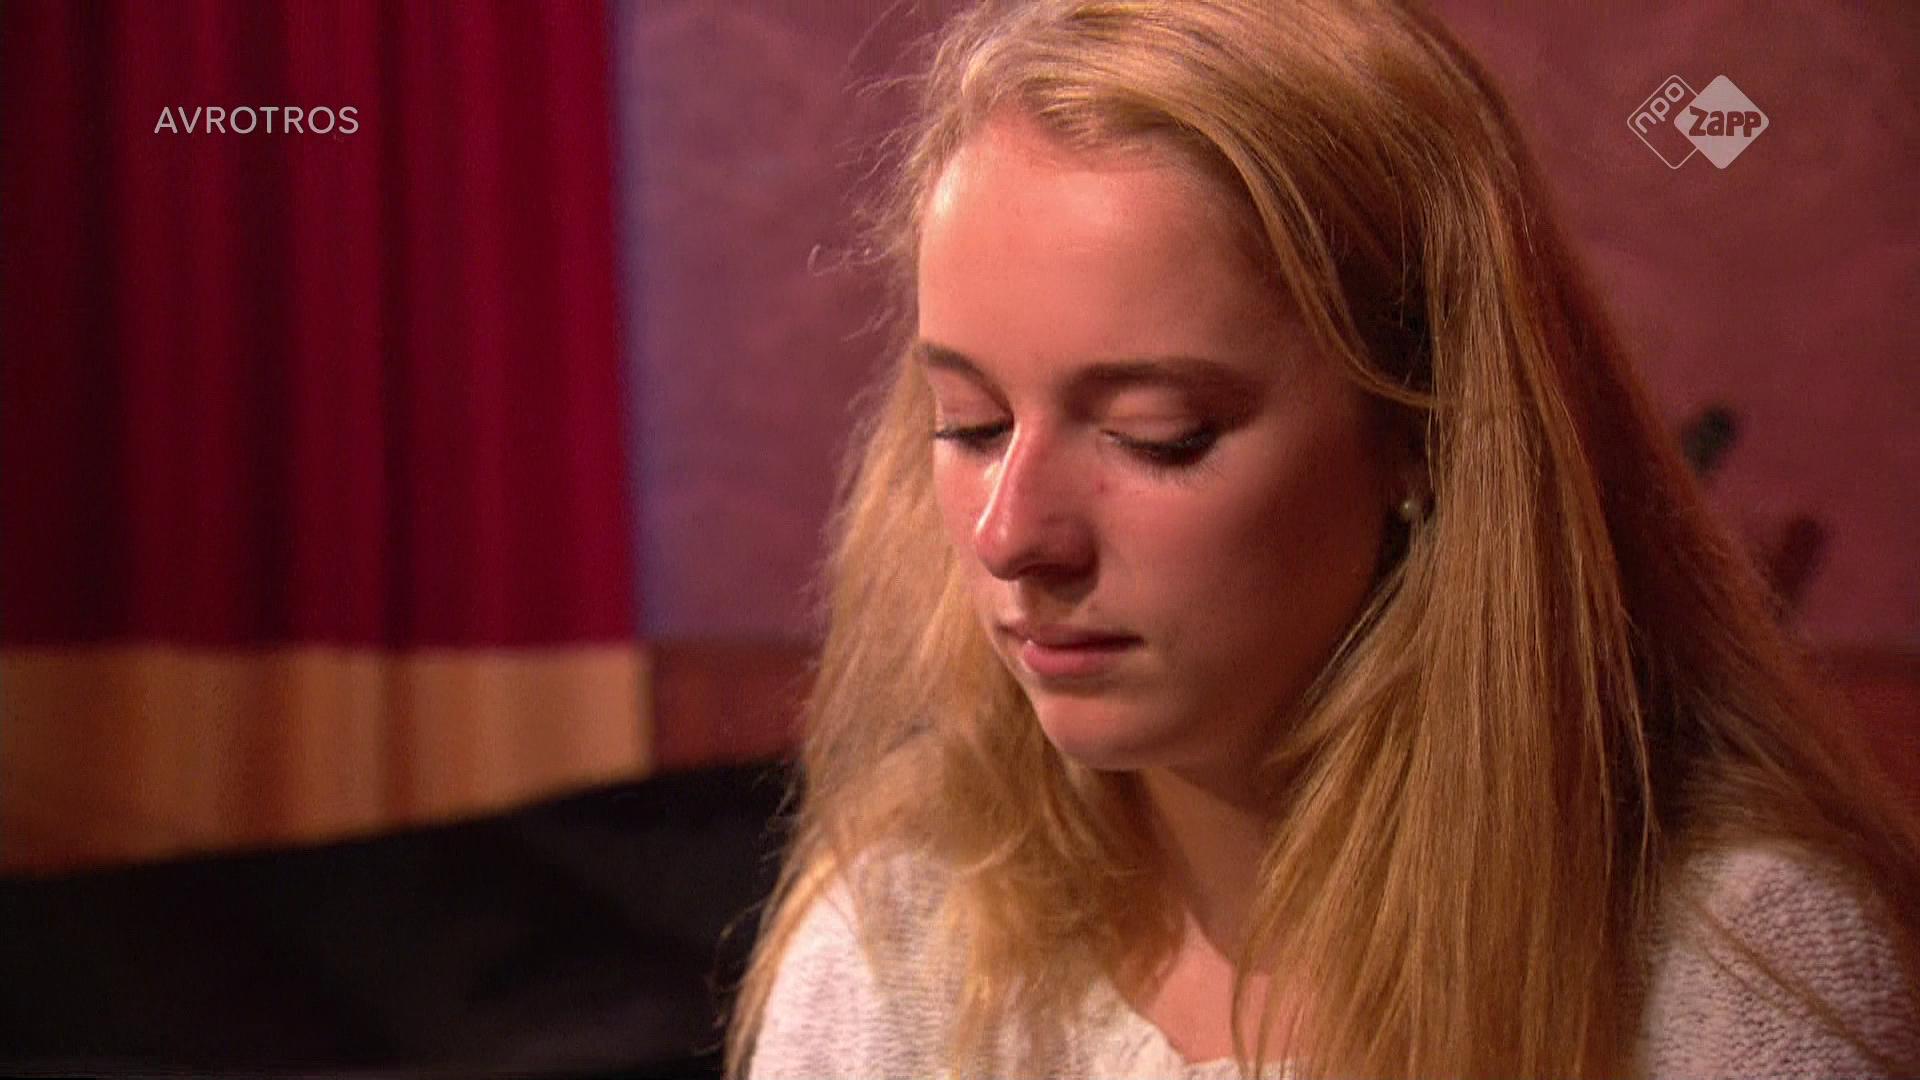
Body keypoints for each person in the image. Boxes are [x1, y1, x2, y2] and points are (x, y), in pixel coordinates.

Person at [726, 1, 1920, 1076]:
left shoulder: (1731, 971)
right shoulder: (902, 938)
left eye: (1158, 435)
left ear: (1425, 432)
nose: (1011, 535)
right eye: (971, 424)